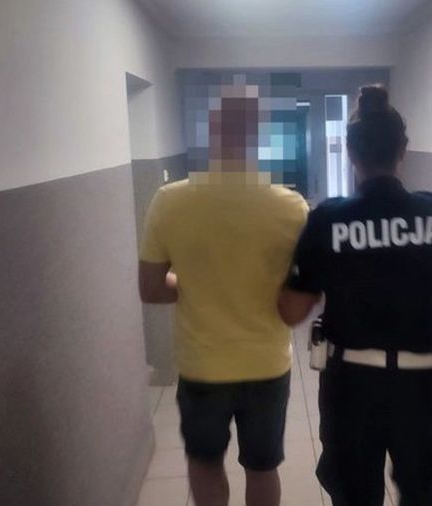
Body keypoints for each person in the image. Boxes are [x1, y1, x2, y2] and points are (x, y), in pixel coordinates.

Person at [277, 85, 432, 506]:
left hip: (351, 386)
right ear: (403, 150)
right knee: (422, 493)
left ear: (350, 152)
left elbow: (292, 312)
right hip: (423, 385)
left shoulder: (328, 221)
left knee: (355, 495)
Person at [139, 83, 308, 506]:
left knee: (205, 464)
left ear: (211, 130)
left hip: (202, 365)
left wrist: (191, 284)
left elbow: (151, 288)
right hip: (266, 363)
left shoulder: (169, 201)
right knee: (262, 467)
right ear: (260, 136)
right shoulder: (291, 207)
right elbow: (299, 291)